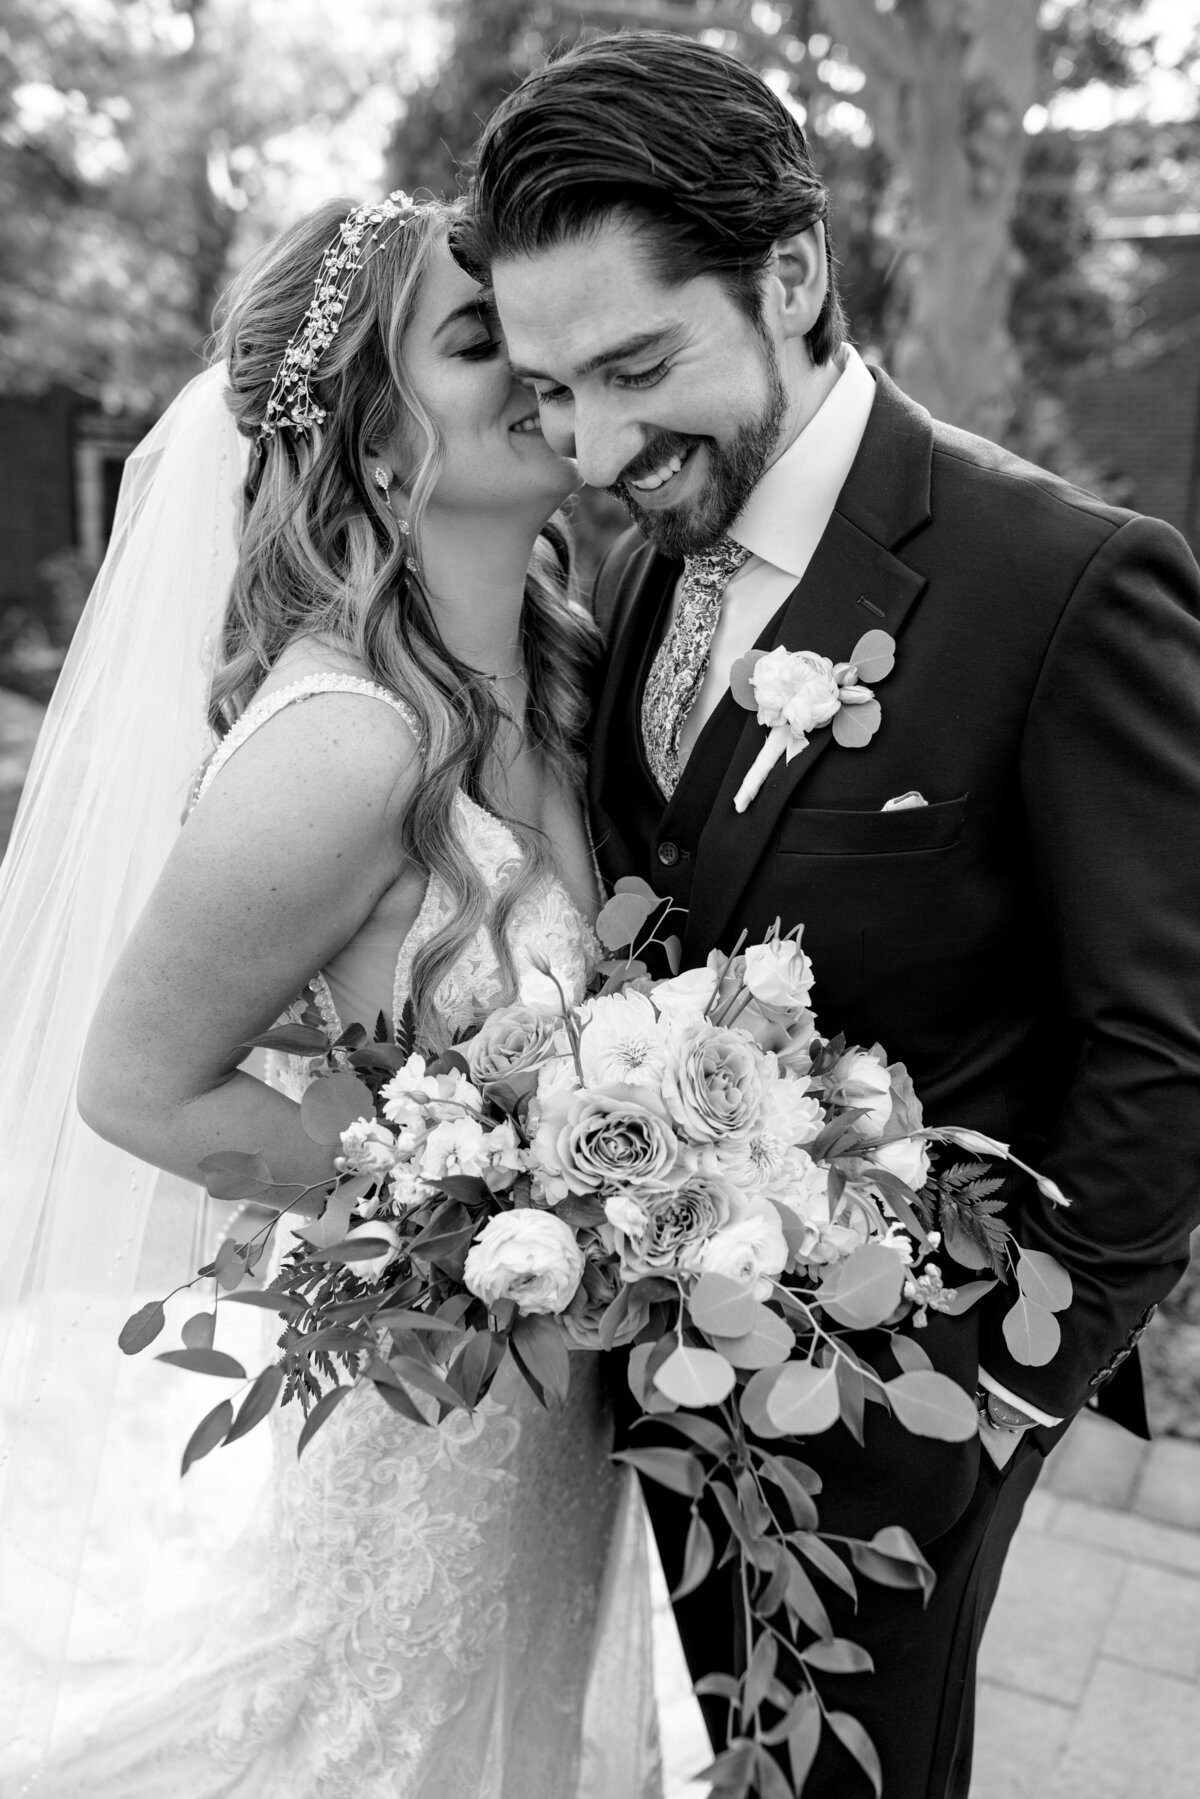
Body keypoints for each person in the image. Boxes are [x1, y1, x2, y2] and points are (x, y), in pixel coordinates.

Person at [462, 31, 1200, 1798]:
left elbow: (1170, 1044)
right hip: (653, 1361)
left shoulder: (1066, 583)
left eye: (637, 367)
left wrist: (990, 1400)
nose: (593, 443)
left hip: (906, 1405)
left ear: (791, 274)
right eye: (556, 391)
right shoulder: (643, 567)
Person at [0, 192, 660, 1797]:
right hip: (433, 1403)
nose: (542, 360)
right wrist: (469, 1210)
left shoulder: (575, 676)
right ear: (373, 440)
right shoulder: (344, 738)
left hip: (568, 1403)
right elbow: (139, 1084)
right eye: (477, 334)